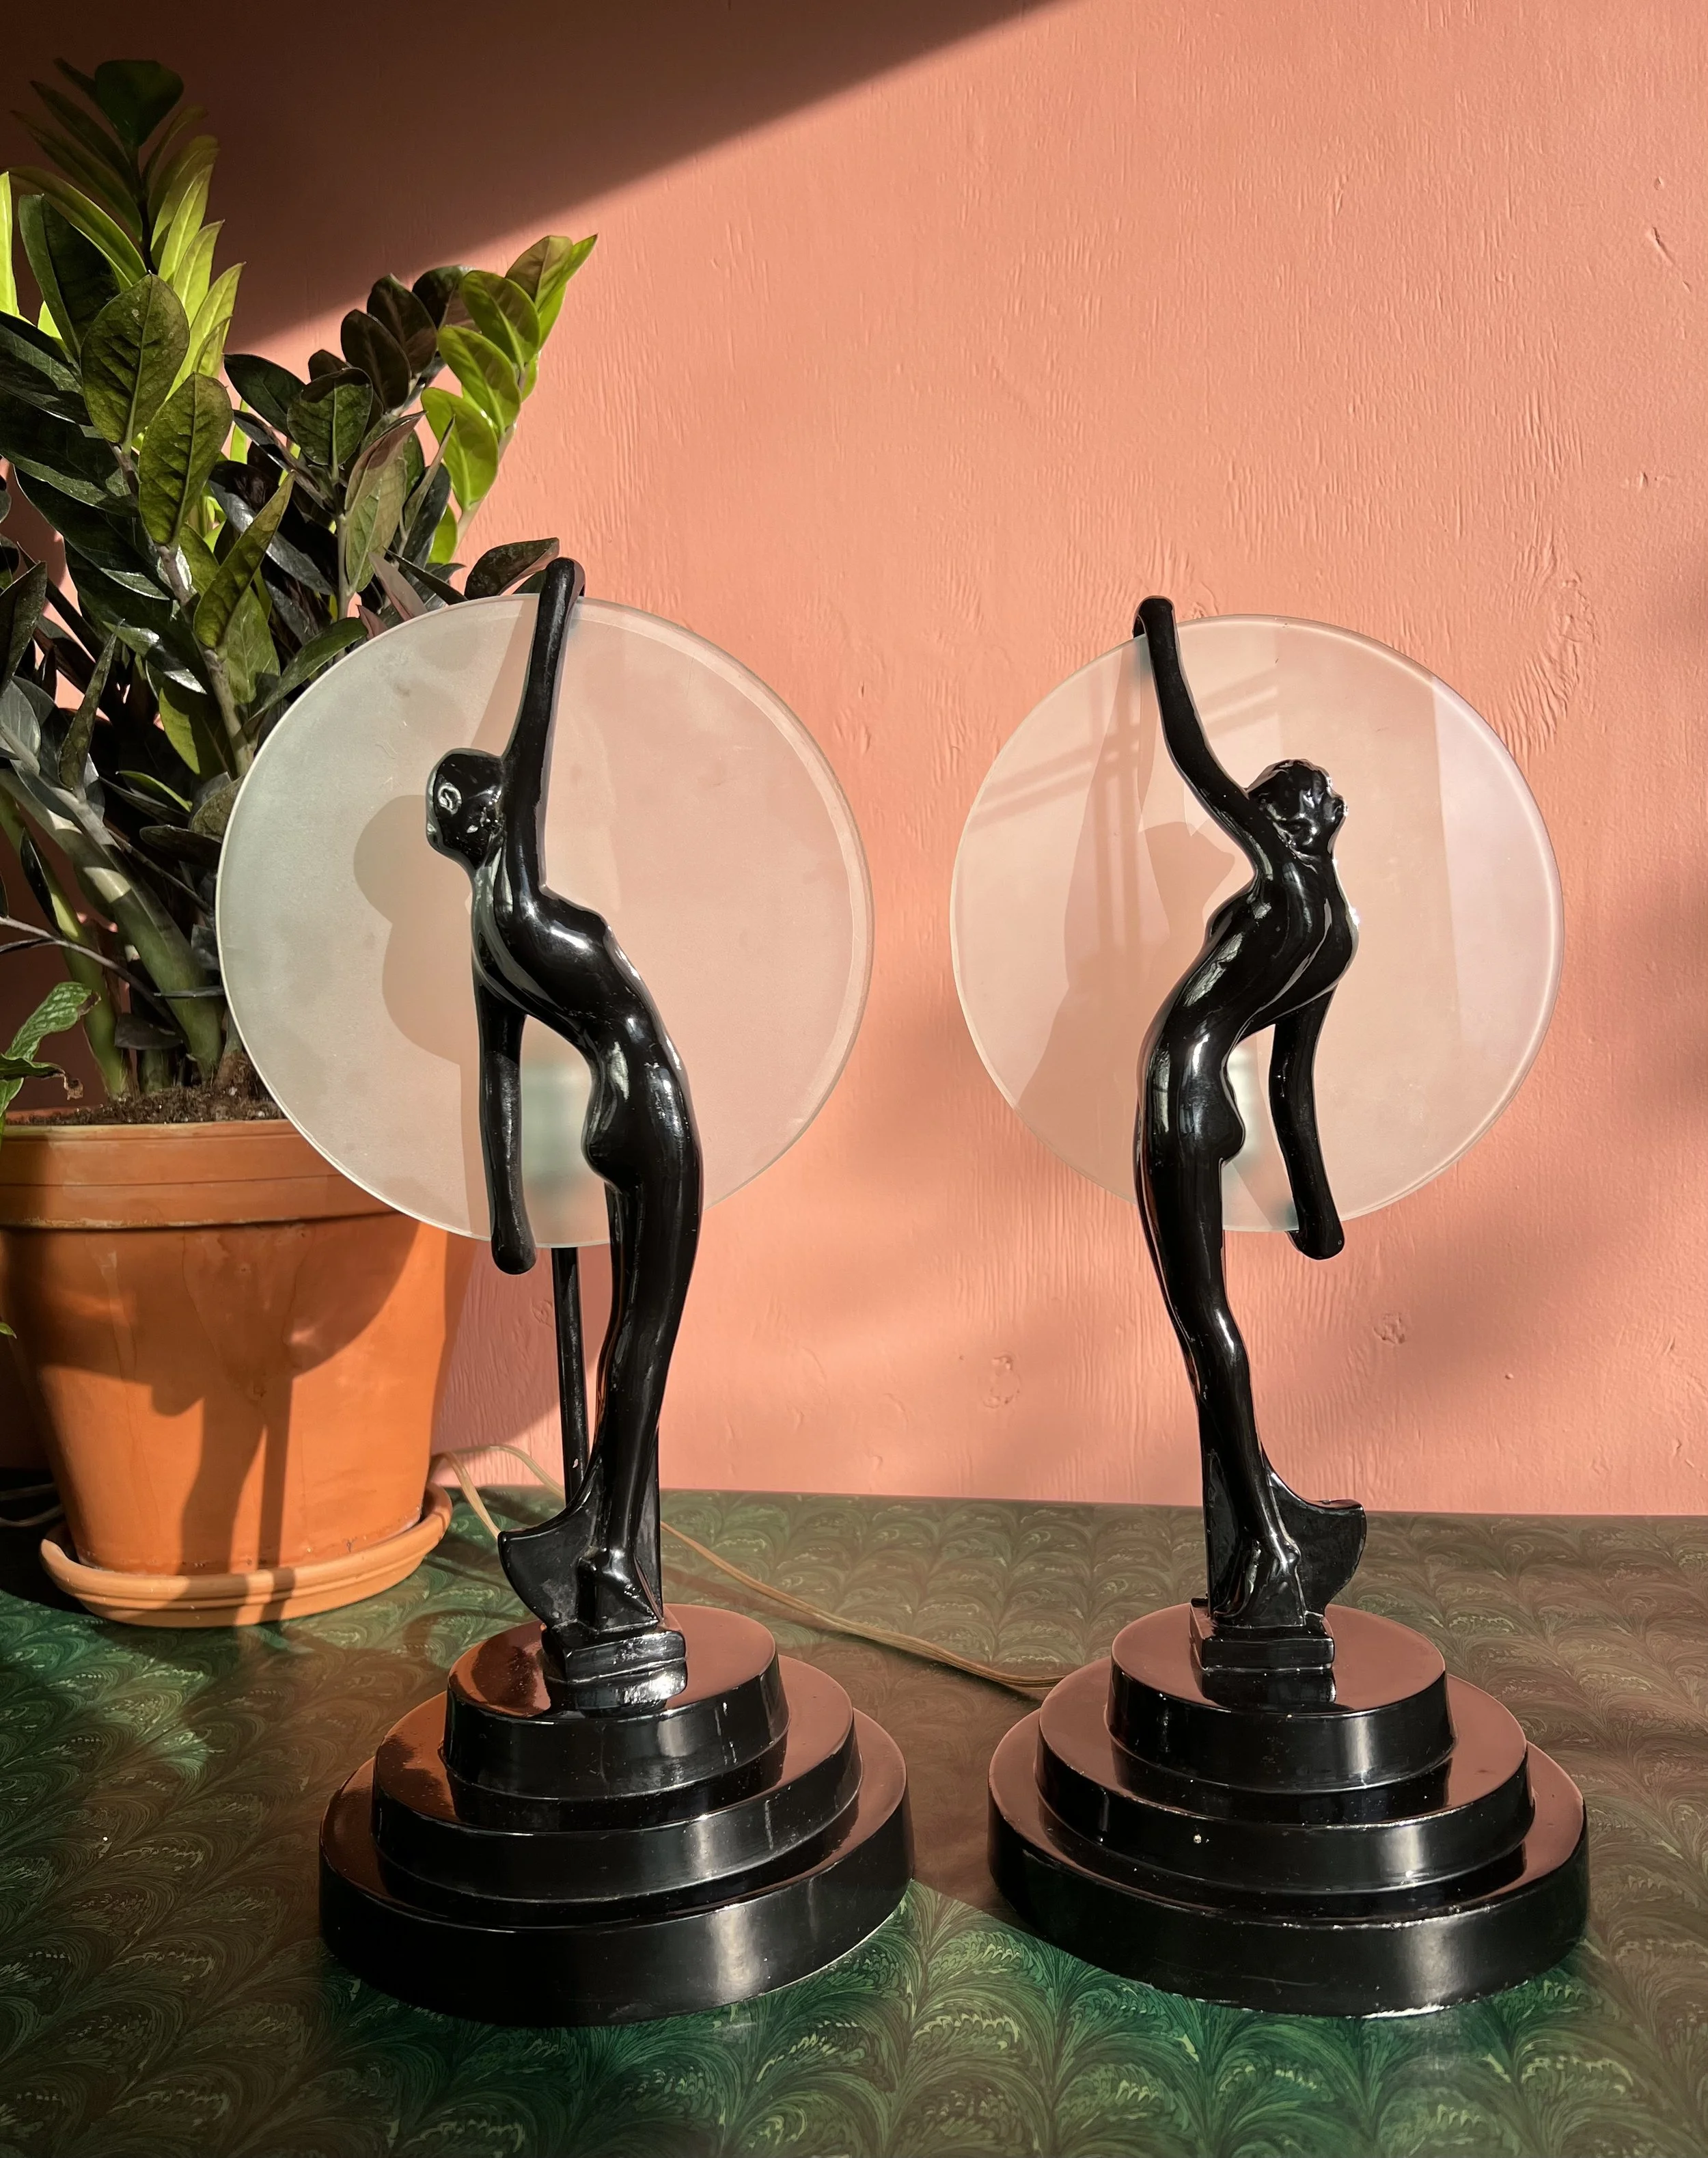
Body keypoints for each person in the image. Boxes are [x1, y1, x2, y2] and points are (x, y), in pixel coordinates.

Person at [426, 558, 698, 1703]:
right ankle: (605, 1555)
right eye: (496, 798)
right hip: (651, 1111)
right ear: (489, 819)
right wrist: (556, 616)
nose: (505, 801)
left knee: (627, 1347)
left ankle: (604, 1538)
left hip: (601, 1117)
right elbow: (536, 729)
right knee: (644, 1347)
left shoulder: (485, 933)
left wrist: (511, 1221)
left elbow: (498, 1081)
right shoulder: (521, 892)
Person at [1133, 595, 1364, 1637]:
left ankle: (1263, 1540)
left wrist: (1162, 641)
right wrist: (1319, 1213)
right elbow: (1289, 1084)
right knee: (1209, 1321)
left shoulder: (1279, 881)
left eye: (1272, 804)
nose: (1259, 814)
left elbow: (1193, 757)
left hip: (1179, 1095)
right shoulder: (1335, 930)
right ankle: (1266, 1510)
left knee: (1202, 1322)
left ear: (1289, 819)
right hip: (1217, 1099)